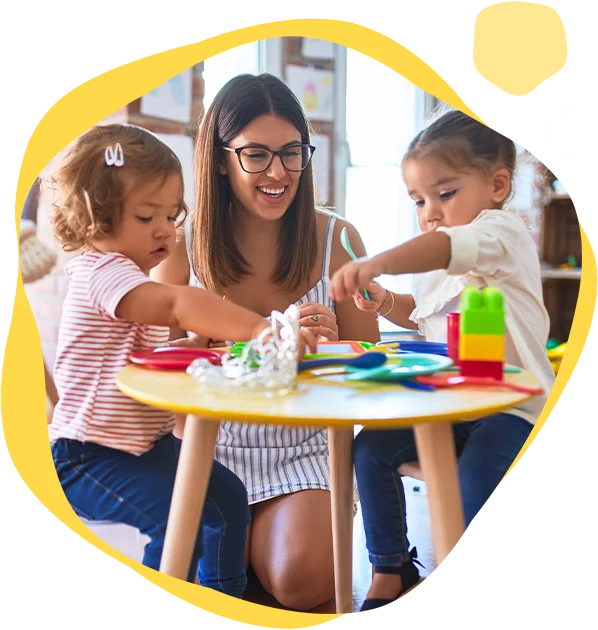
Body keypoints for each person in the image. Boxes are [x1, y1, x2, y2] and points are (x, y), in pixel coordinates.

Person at [48, 123, 316, 599]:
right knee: (178, 524)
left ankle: (222, 599)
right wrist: (258, 329)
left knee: (227, 500)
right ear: (96, 218)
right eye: (147, 216)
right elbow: (176, 302)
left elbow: (145, 356)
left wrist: (196, 345)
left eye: (172, 215)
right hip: (87, 455)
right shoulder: (101, 271)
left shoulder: (132, 279)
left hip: (144, 448)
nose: (166, 231)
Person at [152, 73, 380, 610]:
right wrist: (206, 344)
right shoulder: (179, 247)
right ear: (220, 158)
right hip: (208, 447)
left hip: (305, 449)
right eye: (256, 154)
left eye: (291, 152)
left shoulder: (338, 240)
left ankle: (250, 551)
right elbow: (157, 376)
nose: (278, 172)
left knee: (302, 582)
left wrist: (332, 347)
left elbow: (374, 366)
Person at [330, 109, 555, 615]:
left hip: (513, 408)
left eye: (445, 193)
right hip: (454, 407)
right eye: (418, 200)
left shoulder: (501, 233)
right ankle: (391, 568)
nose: (430, 211)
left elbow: (444, 245)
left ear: (497, 185)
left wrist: (380, 259)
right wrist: (387, 302)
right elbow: (430, 319)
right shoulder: (440, 262)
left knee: (476, 481)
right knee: (370, 450)